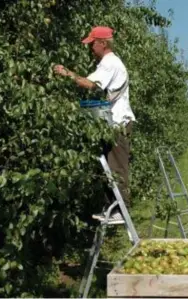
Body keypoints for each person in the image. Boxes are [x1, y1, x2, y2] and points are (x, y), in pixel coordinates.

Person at [53, 26, 135, 222]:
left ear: (103, 43)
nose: (90, 48)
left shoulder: (110, 63)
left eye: (92, 44)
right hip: (113, 123)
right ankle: (112, 209)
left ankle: (121, 211)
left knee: (117, 167)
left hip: (118, 123)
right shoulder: (108, 63)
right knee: (109, 166)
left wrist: (67, 73)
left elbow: (90, 84)